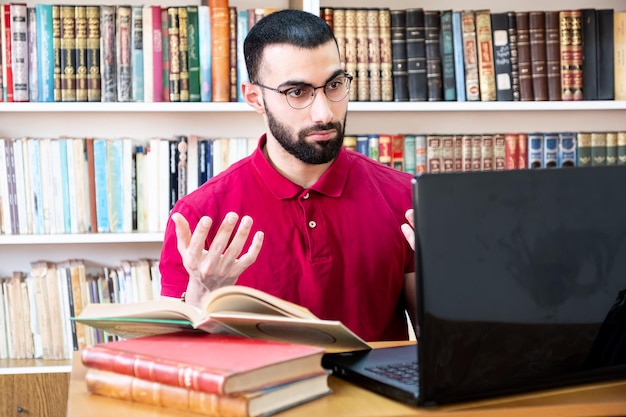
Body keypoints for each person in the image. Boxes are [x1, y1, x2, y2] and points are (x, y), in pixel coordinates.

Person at [159, 9, 416, 342]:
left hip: (376, 394)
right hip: (255, 394)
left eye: (334, 85)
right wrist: (202, 291)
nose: (324, 113)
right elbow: (178, 358)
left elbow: (443, 348)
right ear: (255, 98)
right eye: (298, 92)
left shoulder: (406, 197)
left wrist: (457, 281)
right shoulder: (198, 217)